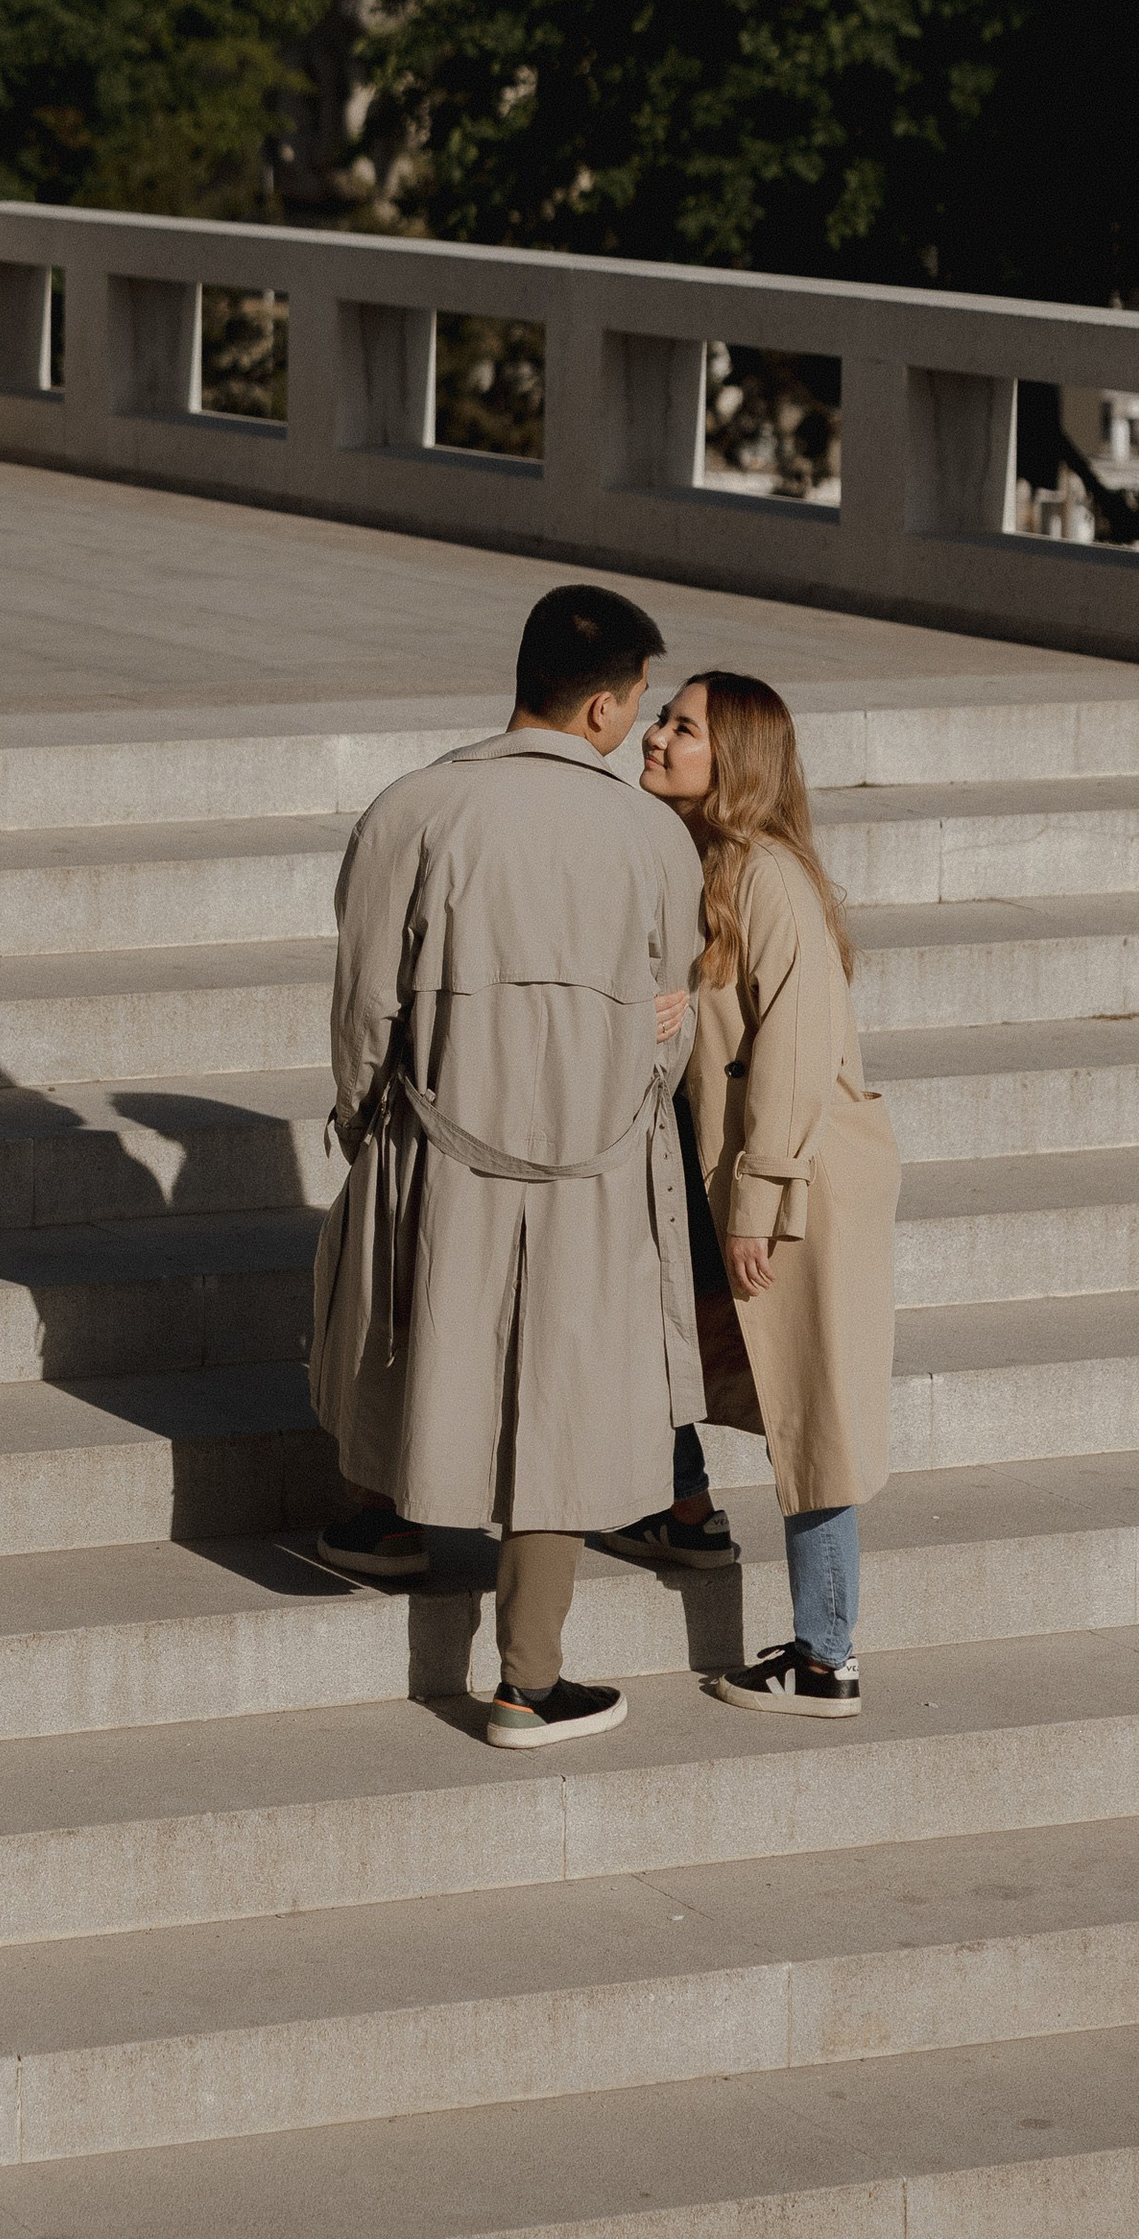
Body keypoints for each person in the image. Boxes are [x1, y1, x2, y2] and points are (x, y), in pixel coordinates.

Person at [309, 584, 709, 1749]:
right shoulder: (649, 834)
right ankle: (527, 1678)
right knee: (562, 1398)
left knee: (409, 1322)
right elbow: (668, 1017)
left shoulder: (413, 810)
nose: (637, 727)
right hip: (591, 1166)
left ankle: (380, 1520)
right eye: (637, 707)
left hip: (437, 1142)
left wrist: (364, 1131)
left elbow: (360, 1010)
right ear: (601, 707)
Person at [640, 671, 900, 1717]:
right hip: (744, 1162)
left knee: (813, 1410)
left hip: (796, 1177)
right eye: (661, 718)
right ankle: (678, 1502)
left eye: (683, 727)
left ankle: (825, 1654)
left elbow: (792, 1046)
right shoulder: (707, 862)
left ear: (733, 759)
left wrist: (757, 1201)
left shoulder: (767, 875)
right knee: (647, 1324)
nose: (658, 736)